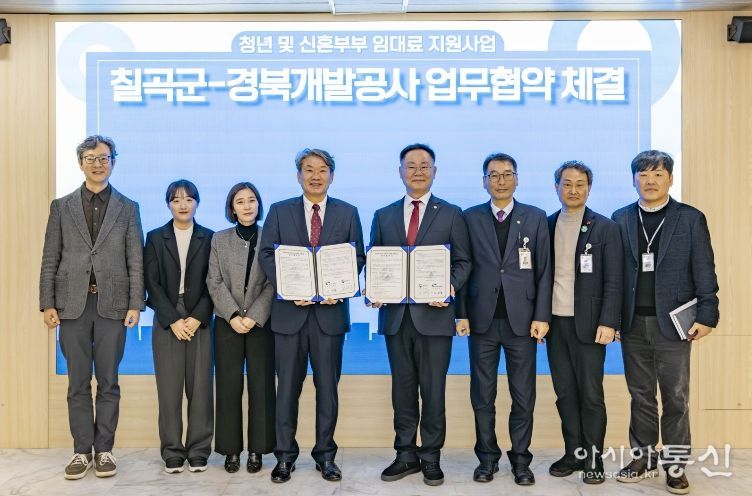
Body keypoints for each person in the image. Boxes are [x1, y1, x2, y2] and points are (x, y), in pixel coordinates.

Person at [612, 150, 719, 495]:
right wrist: (612, 319)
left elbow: (704, 269)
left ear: (670, 179)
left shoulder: (690, 218)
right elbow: (613, 275)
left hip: (675, 324)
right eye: (643, 174)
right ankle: (643, 459)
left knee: (675, 397)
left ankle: (675, 465)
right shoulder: (620, 218)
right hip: (632, 324)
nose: (650, 181)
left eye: (658, 174)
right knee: (640, 396)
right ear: (633, 180)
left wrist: (708, 314)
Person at [39, 135, 144, 479]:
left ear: (114, 161)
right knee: (78, 382)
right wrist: (47, 302)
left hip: (113, 305)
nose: (98, 164)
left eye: (104, 158)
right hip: (72, 306)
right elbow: (50, 257)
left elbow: (135, 259)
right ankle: (82, 451)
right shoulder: (61, 206)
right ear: (80, 163)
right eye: (91, 158)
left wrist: (135, 303)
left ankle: (105, 451)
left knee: (109, 381)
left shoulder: (128, 208)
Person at [258, 148, 365, 483]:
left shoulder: (348, 212)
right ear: (298, 175)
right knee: (287, 390)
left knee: (327, 390)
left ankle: (325, 456)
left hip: (330, 317)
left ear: (332, 175)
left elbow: (357, 257)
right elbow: (266, 254)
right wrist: (290, 287)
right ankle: (284, 457)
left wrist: (341, 286)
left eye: (322, 170)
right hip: (289, 315)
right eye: (308, 169)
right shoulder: (279, 211)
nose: (315, 176)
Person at [369, 143, 471, 487]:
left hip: (436, 318)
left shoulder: (452, 213)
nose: (417, 171)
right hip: (396, 319)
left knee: (433, 390)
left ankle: (431, 456)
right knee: (402, 390)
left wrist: (449, 287)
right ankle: (405, 454)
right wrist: (374, 290)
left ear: (434, 172)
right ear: (400, 172)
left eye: (424, 165)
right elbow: (375, 261)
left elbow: (463, 262)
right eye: (410, 166)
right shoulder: (383, 215)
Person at [455, 152, 551, 486]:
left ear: (517, 179)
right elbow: (462, 267)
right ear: (484, 181)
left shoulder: (535, 217)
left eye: (507, 174)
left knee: (523, 395)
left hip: (522, 322)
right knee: (483, 395)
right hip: (481, 321)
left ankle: (521, 461)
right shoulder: (469, 218)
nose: (500, 181)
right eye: (493, 175)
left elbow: (544, 271)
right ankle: (487, 459)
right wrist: (461, 313)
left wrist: (542, 316)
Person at [545, 161, 622, 484]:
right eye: (567, 184)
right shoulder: (546, 224)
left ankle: (593, 458)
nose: (573, 190)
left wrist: (609, 321)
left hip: (591, 326)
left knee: (591, 395)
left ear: (589, 188)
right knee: (564, 393)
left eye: (580, 184)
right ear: (556, 187)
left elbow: (615, 280)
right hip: (555, 324)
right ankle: (573, 453)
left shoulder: (605, 227)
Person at [144, 179, 214, 474]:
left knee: (201, 387)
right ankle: (172, 450)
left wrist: (198, 317)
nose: (183, 205)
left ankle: (198, 450)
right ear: (168, 205)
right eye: (176, 200)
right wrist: (172, 319)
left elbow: (214, 281)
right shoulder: (155, 237)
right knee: (169, 389)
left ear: (197, 203)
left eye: (188, 199)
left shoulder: (210, 238)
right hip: (167, 317)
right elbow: (151, 282)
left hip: (200, 317)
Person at [207, 182, 275, 474]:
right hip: (227, 323)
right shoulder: (219, 239)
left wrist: (254, 315)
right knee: (228, 387)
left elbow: (273, 282)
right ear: (232, 208)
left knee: (262, 387)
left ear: (259, 204)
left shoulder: (271, 237)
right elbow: (213, 281)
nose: (247, 206)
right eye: (240, 202)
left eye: (252, 200)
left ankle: (258, 450)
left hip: (261, 324)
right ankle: (231, 450)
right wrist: (233, 314)